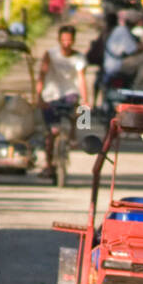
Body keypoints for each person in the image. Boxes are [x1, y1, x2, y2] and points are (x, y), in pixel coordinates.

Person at [37, 24, 89, 177]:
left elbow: (81, 79)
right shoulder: (50, 54)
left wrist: (86, 100)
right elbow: (42, 75)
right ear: (59, 40)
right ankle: (48, 164)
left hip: (69, 94)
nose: (66, 43)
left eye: (69, 40)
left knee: (80, 110)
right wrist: (38, 97)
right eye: (64, 40)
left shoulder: (79, 58)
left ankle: (73, 136)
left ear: (73, 41)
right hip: (50, 96)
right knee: (50, 133)